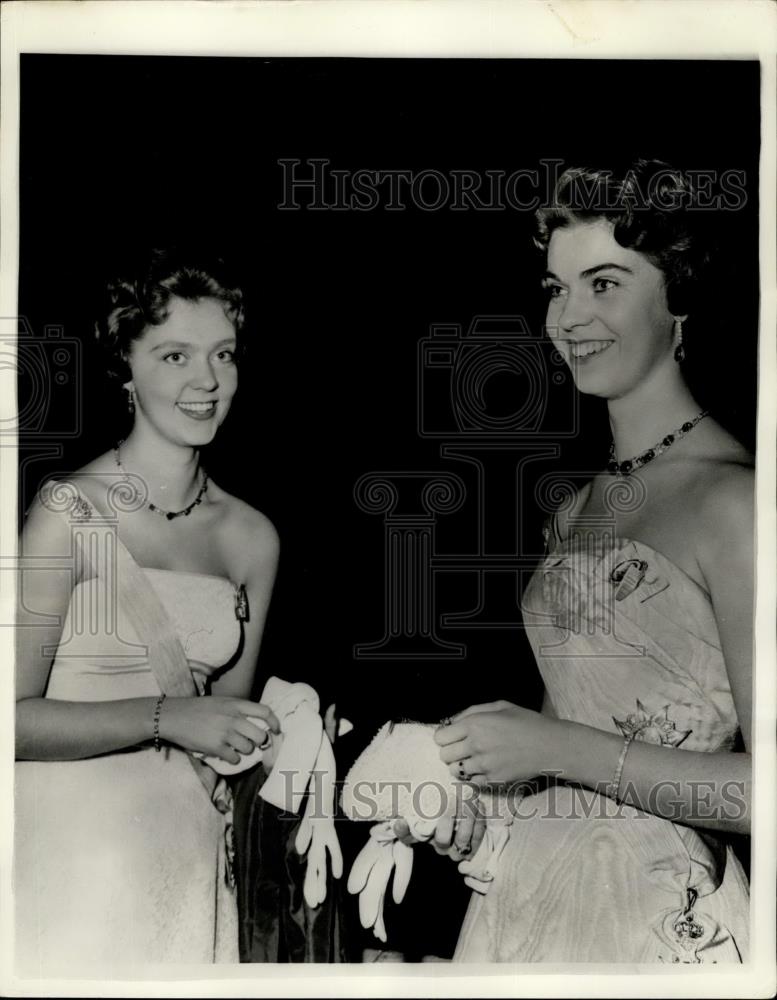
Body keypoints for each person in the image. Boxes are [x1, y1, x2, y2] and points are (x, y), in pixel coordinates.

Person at [430, 161, 753, 963]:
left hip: (653, 914)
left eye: (602, 284)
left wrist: (550, 750)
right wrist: (474, 789)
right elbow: (561, 731)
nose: (567, 318)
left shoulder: (736, 504)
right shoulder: (572, 508)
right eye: (554, 288)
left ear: (676, 299)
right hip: (526, 898)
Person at [15, 248, 281, 970]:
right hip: (70, 850)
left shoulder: (251, 536)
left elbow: (227, 732)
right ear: (124, 369)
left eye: (222, 354)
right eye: (174, 356)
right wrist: (163, 718)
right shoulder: (65, 511)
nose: (206, 381)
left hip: (186, 849)